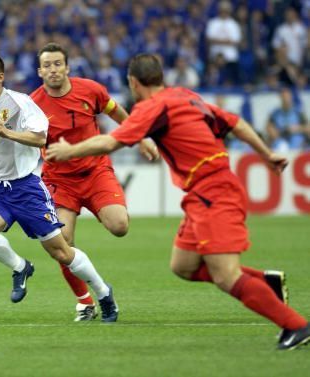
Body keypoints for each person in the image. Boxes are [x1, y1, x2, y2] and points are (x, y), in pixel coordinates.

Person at [46, 53, 309, 349]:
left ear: (134, 83)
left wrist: (70, 151)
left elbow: (110, 141)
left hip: (214, 192)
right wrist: (266, 153)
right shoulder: (187, 96)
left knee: (225, 276)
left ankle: (296, 326)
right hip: (201, 195)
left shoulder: (152, 107)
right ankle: (265, 281)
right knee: (183, 265)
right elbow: (235, 123)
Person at [0, 51, 119, 322]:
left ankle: (102, 292)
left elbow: (41, 138)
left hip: (27, 188)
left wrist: (9, 133)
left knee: (61, 251)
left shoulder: (20, 103)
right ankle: (20, 268)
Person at [29, 42, 158, 321]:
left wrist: (141, 138)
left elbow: (117, 112)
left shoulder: (91, 90)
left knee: (119, 226)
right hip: (59, 180)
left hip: (96, 171)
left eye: (57, 64)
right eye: (47, 65)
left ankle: (92, 296)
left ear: (67, 67)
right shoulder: (33, 104)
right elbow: (23, 140)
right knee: (61, 243)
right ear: (40, 71)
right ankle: (85, 301)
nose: (53, 70)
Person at [266, 87, 310, 151]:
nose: (285, 99)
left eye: (287, 96)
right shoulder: (275, 113)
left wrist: (297, 128)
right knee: (280, 146)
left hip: (298, 143)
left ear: (291, 97)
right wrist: (272, 131)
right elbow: (269, 127)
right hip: (281, 142)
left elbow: (308, 128)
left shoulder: (298, 112)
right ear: (280, 97)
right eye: (283, 96)